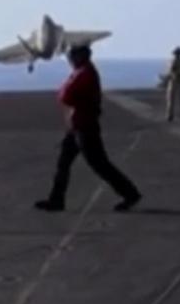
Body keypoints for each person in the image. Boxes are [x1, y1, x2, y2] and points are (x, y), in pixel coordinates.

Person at [35, 44, 142, 213]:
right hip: (77, 126)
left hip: (85, 126)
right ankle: (56, 199)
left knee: (99, 164)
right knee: (64, 162)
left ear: (80, 56)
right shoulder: (82, 71)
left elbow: (65, 95)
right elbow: (65, 93)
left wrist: (66, 90)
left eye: (72, 55)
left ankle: (131, 194)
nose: (69, 59)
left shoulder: (85, 73)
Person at [162, 46, 180, 122]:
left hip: (177, 82)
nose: (177, 55)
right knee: (173, 100)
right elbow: (173, 72)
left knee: (176, 100)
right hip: (175, 82)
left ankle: (177, 115)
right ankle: (173, 115)